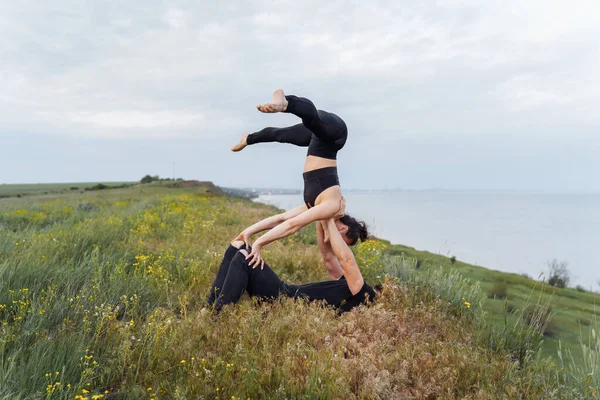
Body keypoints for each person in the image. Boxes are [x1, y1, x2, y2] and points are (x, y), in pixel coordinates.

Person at [231, 89, 357, 268]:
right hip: (335, 134)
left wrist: (248, 232)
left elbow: (282, 218)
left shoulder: (314, 206)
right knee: (314, 121)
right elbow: (293, 225)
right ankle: (286, 103)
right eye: (345, 241)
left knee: (280, 135)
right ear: (343, 229)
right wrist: (259, 244)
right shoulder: (331, 206)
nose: (339, 247)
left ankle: (248, 138)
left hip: (319, 139)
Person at [205, 219, 377, 314]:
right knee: (238, 246)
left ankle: (217, 314)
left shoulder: (361, 289)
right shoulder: (346, 283)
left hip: (286, 300)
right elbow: (328, 257)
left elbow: (347, 260)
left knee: (245, 257)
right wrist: (322, 218)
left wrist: (329, 217)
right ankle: (208, 309)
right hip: (285, 295)